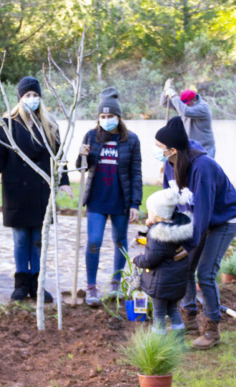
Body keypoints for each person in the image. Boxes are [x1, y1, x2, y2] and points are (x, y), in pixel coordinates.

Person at [151, 116, 236, 350]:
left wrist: (188, 244)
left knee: (205, 272)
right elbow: (169, 200)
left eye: (159, 147)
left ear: (172, 149)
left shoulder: (203, 167)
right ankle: (189, 316)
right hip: (196, 218)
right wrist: (169, 232)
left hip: (223, 220)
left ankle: (212, 329)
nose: (156, 151)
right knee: (185, 266)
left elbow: (203, 212)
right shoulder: (170, 165)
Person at [0, 76, 73, 302]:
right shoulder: (6, 125)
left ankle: (38, 284)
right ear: (19, 98)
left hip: (41, 191)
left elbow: (59, 157)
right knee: (21, 239)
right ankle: (21, 285)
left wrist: (63, 182)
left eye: (35, 95)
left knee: (38, 240)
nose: (32, 99)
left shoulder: (49, 125)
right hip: (16, 191)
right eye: (27, 95)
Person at [77, 87, 143, 307]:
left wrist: (135, 203)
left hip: (120, 200)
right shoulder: (91, 136)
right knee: (93, 241)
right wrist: (81, 156)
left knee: (120, 242)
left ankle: (116, 283)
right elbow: (81, 168)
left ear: (118, 117)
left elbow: (136, 173)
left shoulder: (131, 140)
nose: (106, 120)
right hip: (96, 199)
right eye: (102, 116)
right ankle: (91, 287)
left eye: (110, 116)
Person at [131, 186, 193, 335]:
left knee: (159, 314)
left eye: (149, 212)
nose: (148, 215)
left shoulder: (157, 235)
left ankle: (157, 344)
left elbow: (150, 260)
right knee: (173, 310)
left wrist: (136, 259)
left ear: (158, 215)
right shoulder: (181, 228)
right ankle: (179, 342)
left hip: (160, 285)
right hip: (176, 283)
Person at [161, 79, 216, 158]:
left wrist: (173, 94)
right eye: (183, 104)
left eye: (187, 103)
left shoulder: (203, 108)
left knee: (203, 170)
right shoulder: (184, 106)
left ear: (195, 99)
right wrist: (166, 90)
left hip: (205, 149)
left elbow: (186, 111)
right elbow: (164, 104)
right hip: (189, 149)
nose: (185, 105)